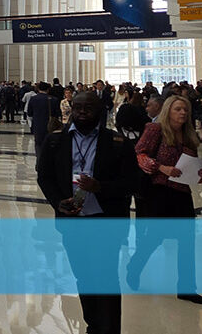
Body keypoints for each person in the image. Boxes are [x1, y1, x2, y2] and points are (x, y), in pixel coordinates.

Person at [36, 91, 138, 334]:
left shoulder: (117, 143)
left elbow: (132, 183)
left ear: (100, 110)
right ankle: (93, 325)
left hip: (106, 220)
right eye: (77, 107)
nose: (82, 112)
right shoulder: (55, 141)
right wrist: (58, 201)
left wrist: (100, 187)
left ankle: (110, 329)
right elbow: (45, 177)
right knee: (84, 277)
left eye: (88, 108)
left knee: (107, 279)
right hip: (73, 221)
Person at [127, 94, 202, 305]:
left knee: (187, 239)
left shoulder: (189, 136)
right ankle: (135, 266)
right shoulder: (155, 130)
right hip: (158, 189)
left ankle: (187, 288)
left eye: (185, 110)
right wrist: (160, 167)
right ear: (168, 111)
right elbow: (139, 154)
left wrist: (199, 173)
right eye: (178, 109)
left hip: (181, 191)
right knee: (156, 235)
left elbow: (190, 164)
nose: (182, 113)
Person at [27, 83, 55, 151]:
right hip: (50, 126)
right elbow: (56, 114)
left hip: (37, 126)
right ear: (48, 89)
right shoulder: (54, 100)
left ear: (38, 89)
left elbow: (29, 113)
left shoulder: (33, 99)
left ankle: (40, 160)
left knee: (38, 145)